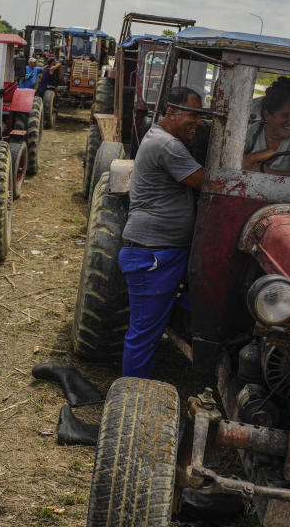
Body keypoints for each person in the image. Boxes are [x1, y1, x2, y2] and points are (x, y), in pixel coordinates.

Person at [118, 86, 206, 378]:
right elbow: (208, 183)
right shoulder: (168, 145)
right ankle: (131, 398)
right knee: (143, 333)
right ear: (172, 112)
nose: (199, 122)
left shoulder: (162, 139)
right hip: (152, 254)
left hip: (165, 253)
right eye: (194, 114)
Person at [243, 76, 290, 174]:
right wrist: (255, 157)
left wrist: (259, 169)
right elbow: (236, 162)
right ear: (267, 115)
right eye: (285, 115)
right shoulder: (254, 131)